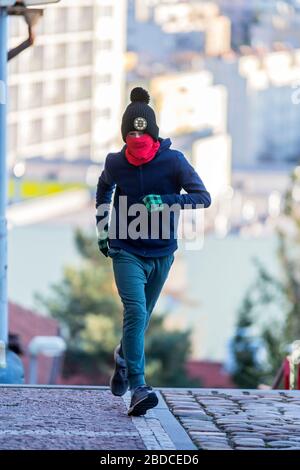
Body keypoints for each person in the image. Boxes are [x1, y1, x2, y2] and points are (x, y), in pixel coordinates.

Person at [95, 87, 211, 416]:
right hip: (125, 247)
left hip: (161, 252)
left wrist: (167, 202)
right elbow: (104, 188)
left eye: (141, 132)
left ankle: (122, 358)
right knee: (134, 312)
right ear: (124, 134)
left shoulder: (173, 162)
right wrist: (103, 226)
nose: (136, 138)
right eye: (130, 132)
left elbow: (203, 198)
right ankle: (139, 387)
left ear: (153, 132)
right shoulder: (116, 162)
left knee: (141, 319)